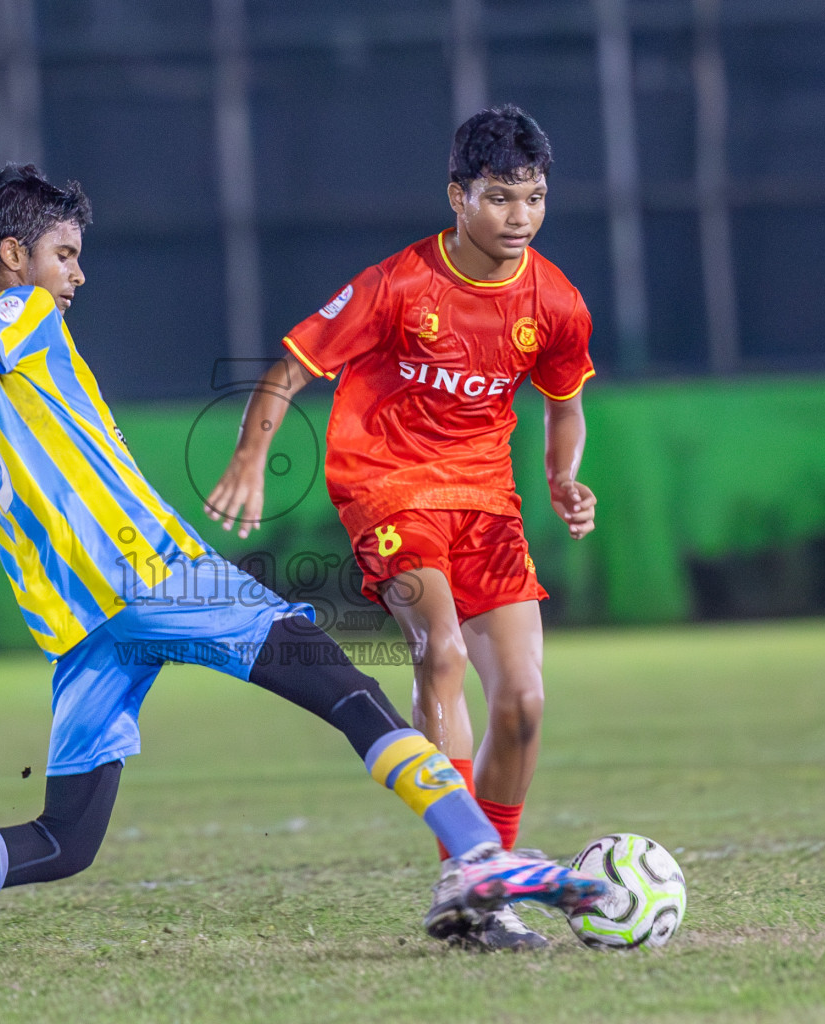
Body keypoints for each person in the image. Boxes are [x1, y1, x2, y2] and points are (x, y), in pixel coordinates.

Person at [0, 164, 605, 975]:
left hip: (83, 627)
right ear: (11, 254)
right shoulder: (18, 313)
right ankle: (476, 854)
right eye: (64, 253)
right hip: (149, 575)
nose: (76, 273)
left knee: (65, 840)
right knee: (349, 691)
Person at [206, 106, 597, 951]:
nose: (520, 217)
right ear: (457, 197)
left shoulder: (555, 301)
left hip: (486, 502)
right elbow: (288, 370)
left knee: (525, 705)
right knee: (441, 650)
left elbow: (564, 408)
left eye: (533, 198)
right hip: (387, 489)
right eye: (499, 198)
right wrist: (247, 456)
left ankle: (480, 882)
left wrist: (563, 478)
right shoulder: (396, 286)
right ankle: (467, 870)